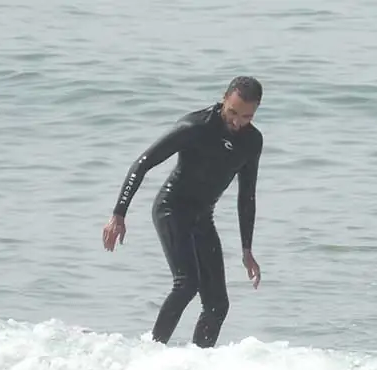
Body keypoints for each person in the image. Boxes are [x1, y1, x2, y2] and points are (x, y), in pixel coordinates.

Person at [101, 76, 266, 349]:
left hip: (203, 217)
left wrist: (247, 249)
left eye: (246, 116)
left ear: (256, 110)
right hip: (171, 209)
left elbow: (247, 195)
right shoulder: (195, 126)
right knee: (187, 283)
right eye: (232, 112)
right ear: (224, 99)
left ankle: (196, 362)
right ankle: (152, 351)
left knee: (217, 305)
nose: (237, 121)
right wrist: (119, 214)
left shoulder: (252, 142)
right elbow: (143, 163)